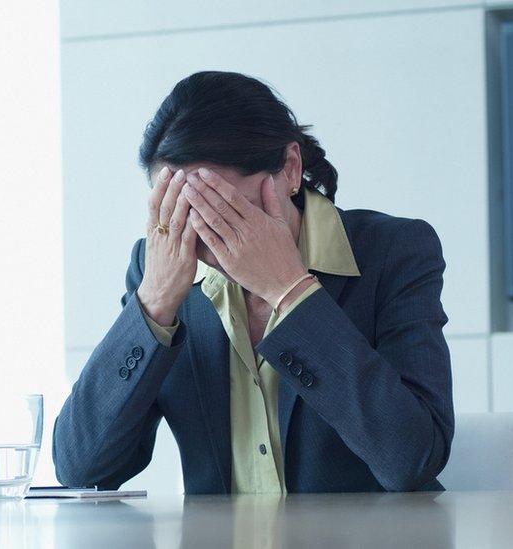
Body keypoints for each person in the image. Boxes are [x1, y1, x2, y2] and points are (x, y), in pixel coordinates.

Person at [53, 71, 454, 494]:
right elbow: (81, 469)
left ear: (291, 169)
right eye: (185, 215)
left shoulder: (394, 251)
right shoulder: (158, 265)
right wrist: (153, 302)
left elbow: (414, 458)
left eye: (229, 213)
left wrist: (291, 291)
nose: (209, 239)